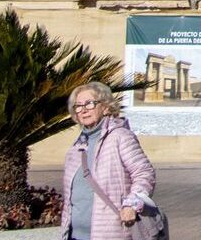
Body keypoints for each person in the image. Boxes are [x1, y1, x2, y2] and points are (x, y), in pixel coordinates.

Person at [61, 82, 155, 240]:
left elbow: (144, 173)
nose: (83, 110)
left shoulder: (120, 137)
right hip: (75, 235)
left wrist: (132, 204)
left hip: (110, 233)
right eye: (78, 106)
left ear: (105, 107)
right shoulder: (76, 147)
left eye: (89, 104)